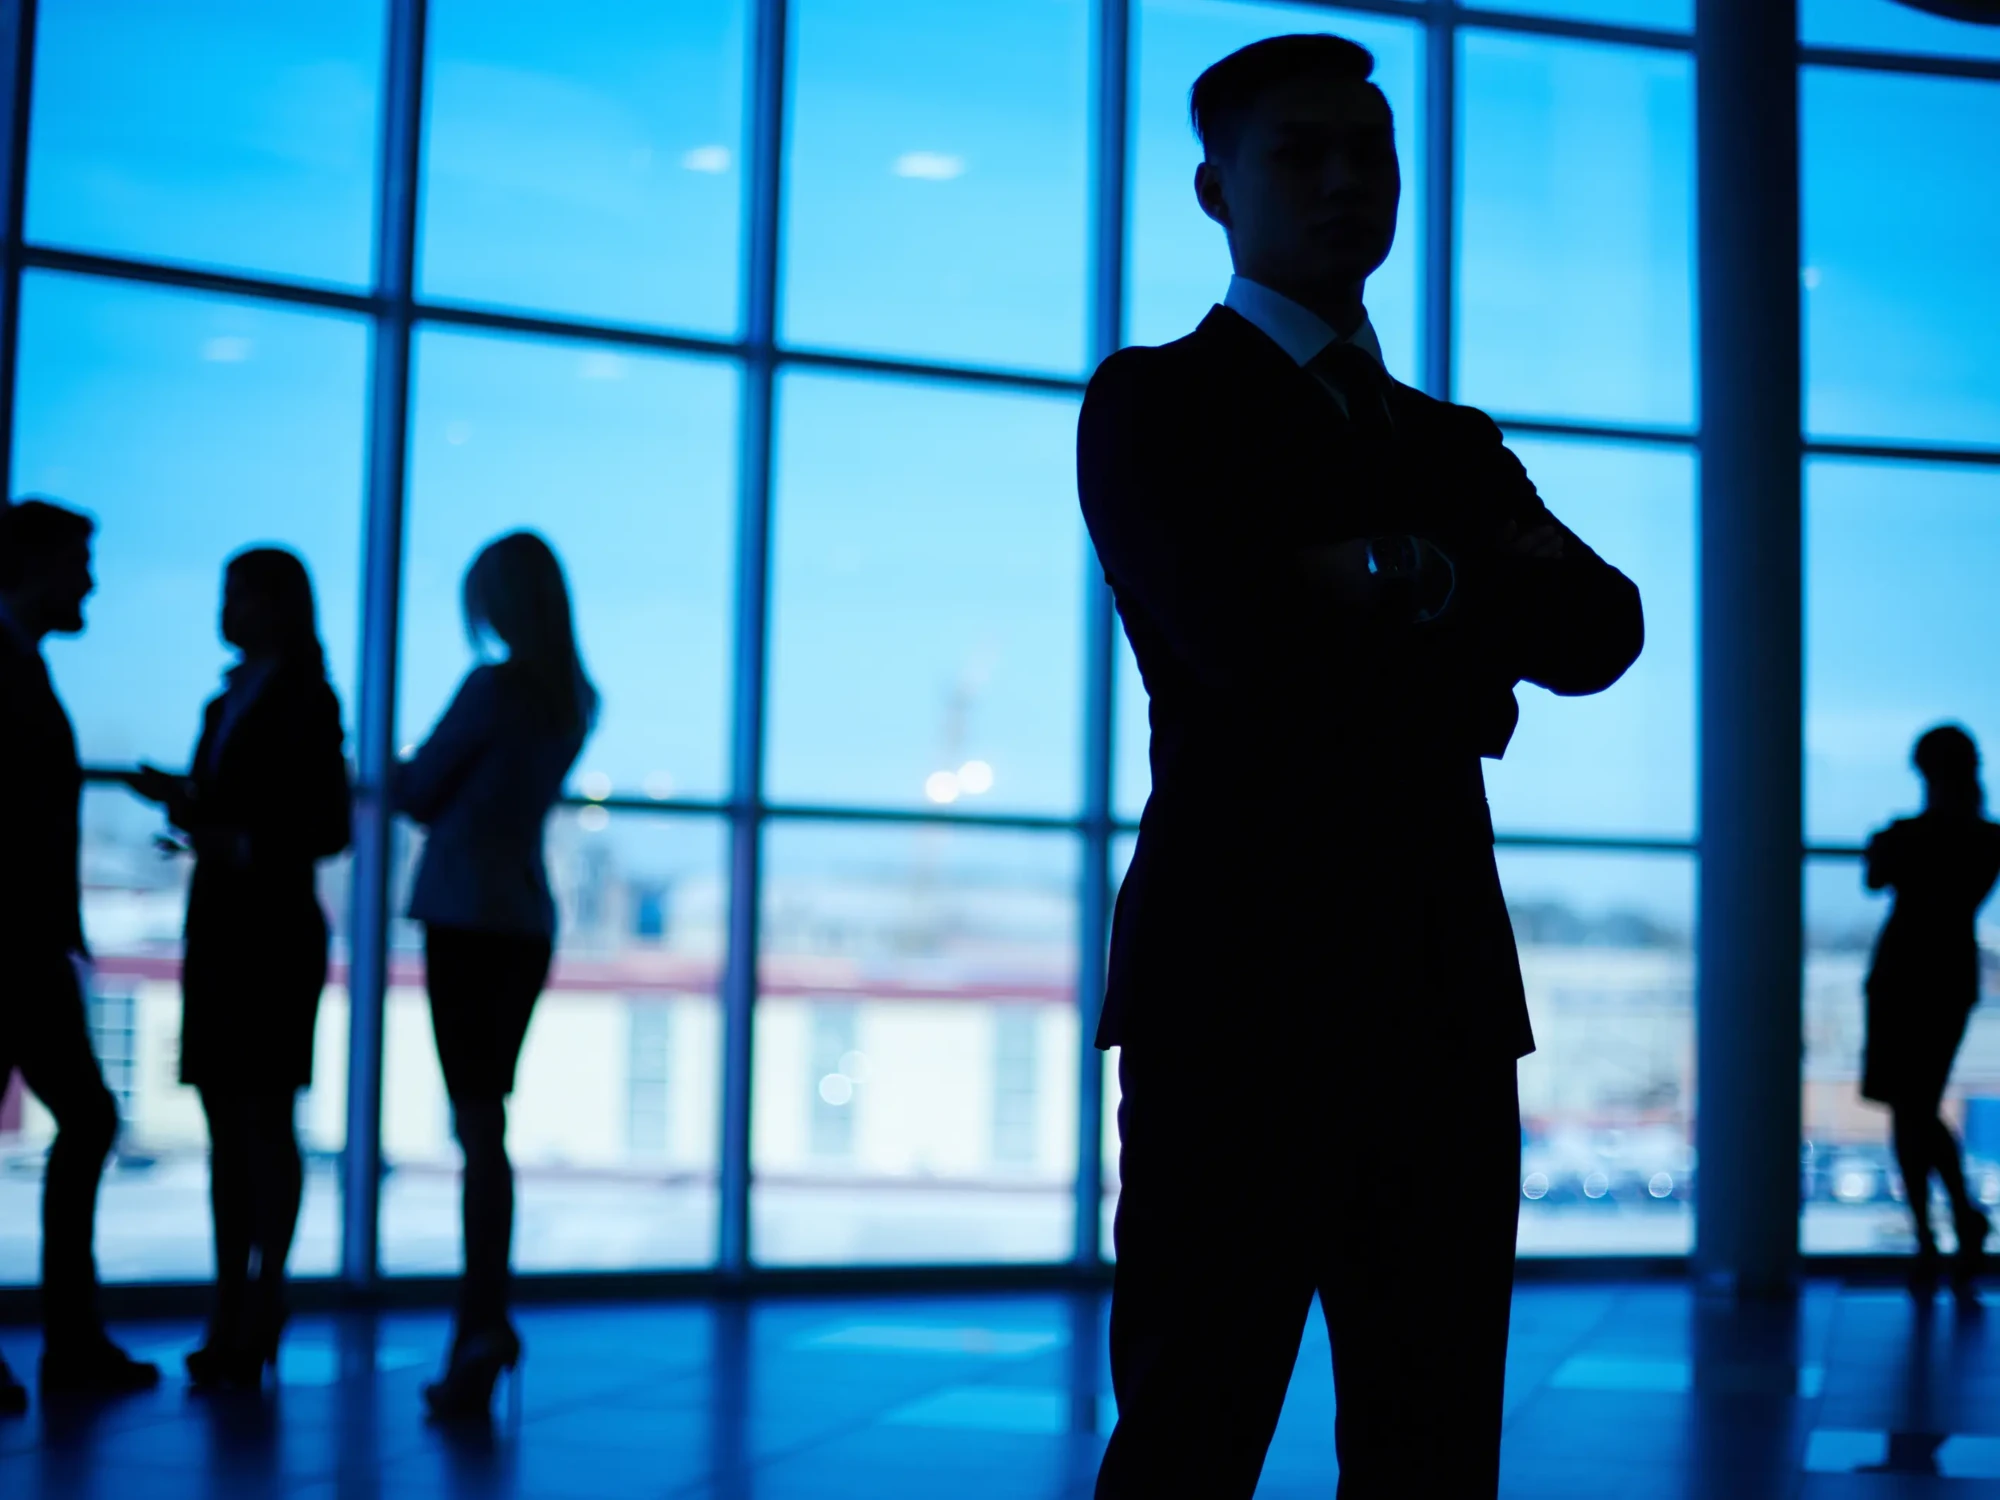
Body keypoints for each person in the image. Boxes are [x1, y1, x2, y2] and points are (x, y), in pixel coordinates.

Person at [1079, 36, 1643, 1498]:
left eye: (1368, 153)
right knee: (1190, 1439)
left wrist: (1381, 574)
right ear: (1214, 190)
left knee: (1432, 1448)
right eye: (1298, 152)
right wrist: (1462, 603)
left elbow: (1602, 628)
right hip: (1233, 1004)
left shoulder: (1450, 440)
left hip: (1435, 1004)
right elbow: (1231, 637)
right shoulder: (1154, 403)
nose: (1344, 179)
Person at [127, 548, 351, 1387]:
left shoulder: (302, 698)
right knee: (233, 1119)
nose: (226, 609)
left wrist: (237, 842)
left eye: (240, 595)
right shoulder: (230, 698)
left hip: (270, 927)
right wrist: (193, 807)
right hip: (226, 924)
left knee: (260, 1116)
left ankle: (259, 1294)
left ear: (276, 606)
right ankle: (239, 1300)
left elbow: (328, 826)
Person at [396, 530, 596, 1421]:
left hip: (466, 917)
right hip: (522, 917)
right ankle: (485, 1320)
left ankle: (480, 1324)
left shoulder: (494, 688)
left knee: (475, 1124)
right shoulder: (570, 698)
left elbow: (420, 791)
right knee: (489, 1122)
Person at [0, 499, 160, 1411]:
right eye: (77, 564)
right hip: (14, 947)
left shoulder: (21, 666)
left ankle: (71, 1336)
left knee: (89, 1119)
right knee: (90, 1118)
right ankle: (71, 1336)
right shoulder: (11, 671)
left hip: (25, 945)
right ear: (29, 566)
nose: (90, 584)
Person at [1861, 724, 2000, 1296]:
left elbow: (1879, 876)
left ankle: (1936, 1231)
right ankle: (1951, 1223)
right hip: (1937, 979)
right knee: (1912, 1107)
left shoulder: (1913, 836)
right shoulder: (1983, 838)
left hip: (1907, 976)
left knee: (1909, 1107)